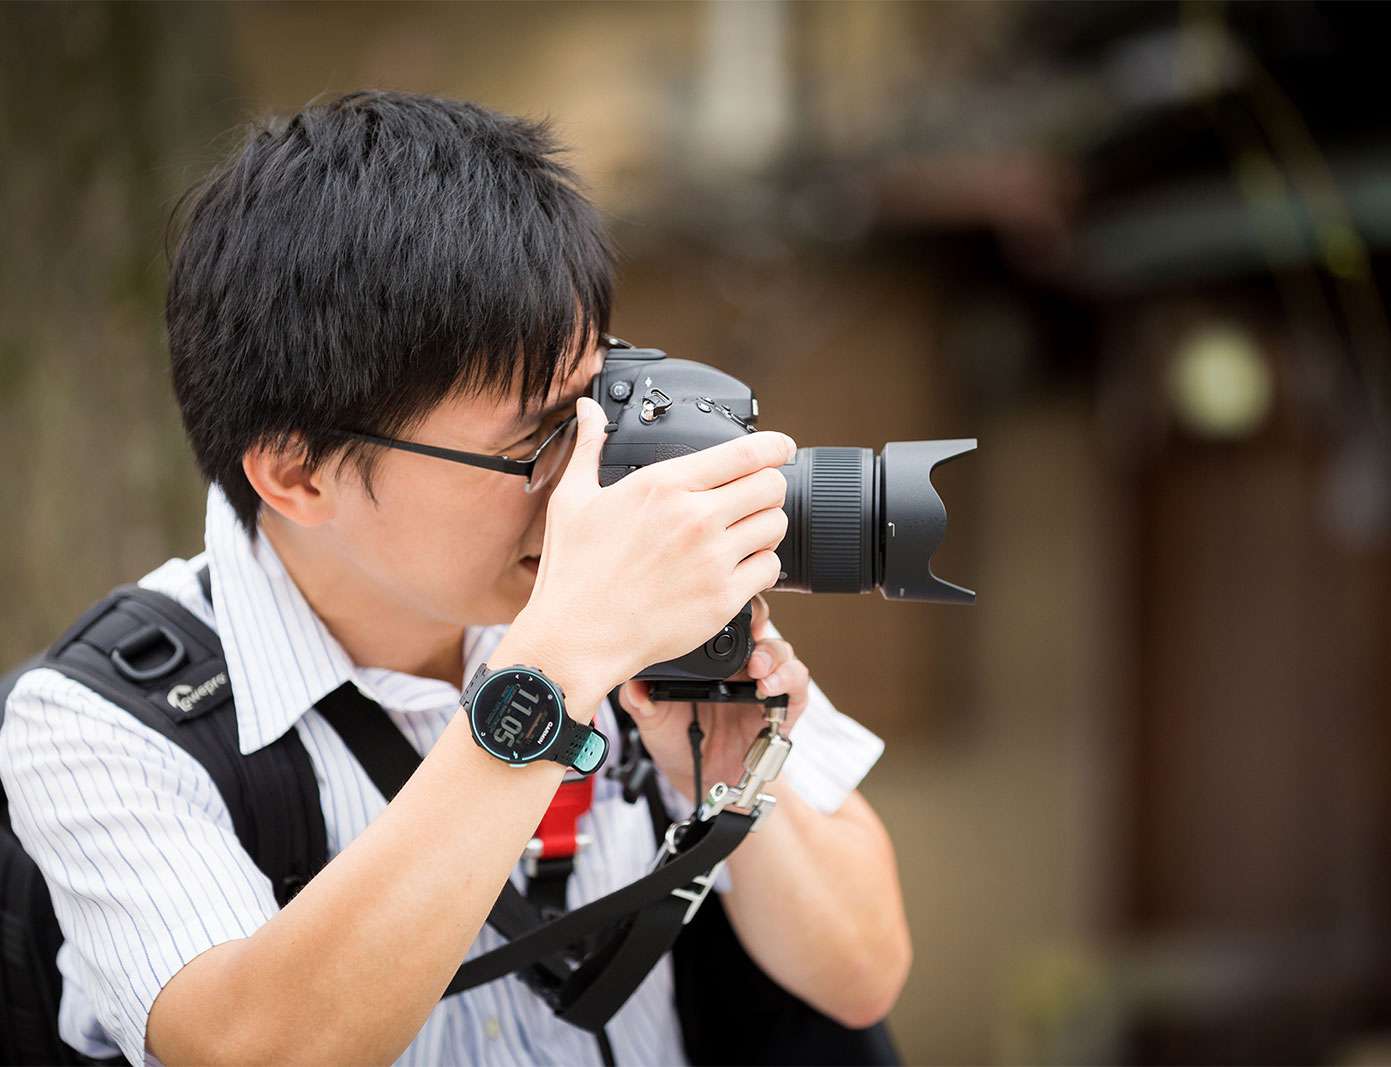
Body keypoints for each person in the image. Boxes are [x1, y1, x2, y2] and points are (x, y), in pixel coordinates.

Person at [0, 90, 911, 1066]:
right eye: (538, 440)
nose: (587, 479)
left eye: (594, 409)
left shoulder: (632, 588)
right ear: (299, 474)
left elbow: (863, 972)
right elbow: (250, 1047)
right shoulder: (99, 725)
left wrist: (722, 781)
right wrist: (557, 669)